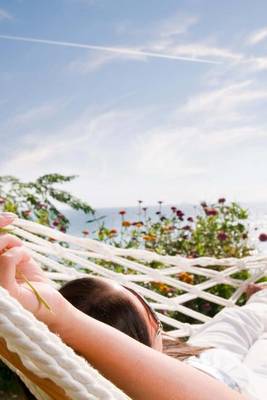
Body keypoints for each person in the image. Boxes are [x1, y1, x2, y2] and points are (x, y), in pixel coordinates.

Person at [0, 212, 262, 400]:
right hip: (242, 379)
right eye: (154, 321)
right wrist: (63, 317)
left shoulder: (66, 361)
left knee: (239, 316)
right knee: (251, 322)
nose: (157, 320)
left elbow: (66, 344)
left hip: (197, 355)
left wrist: (48, 308)